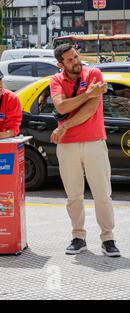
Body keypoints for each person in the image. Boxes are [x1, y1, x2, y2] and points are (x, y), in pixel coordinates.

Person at [49, 43, 120, 257]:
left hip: (94, 141)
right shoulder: (55, 80)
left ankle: (108, 239)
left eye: (76, 57)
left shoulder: (94, 73)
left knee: (102, 194)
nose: (76, 62)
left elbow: (90, 110)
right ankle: (78, 236)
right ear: (60, 64)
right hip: (67, 146)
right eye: (70, 60)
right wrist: (87, 93)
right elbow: (61, 106)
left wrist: (66, 126)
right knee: (74, 195)